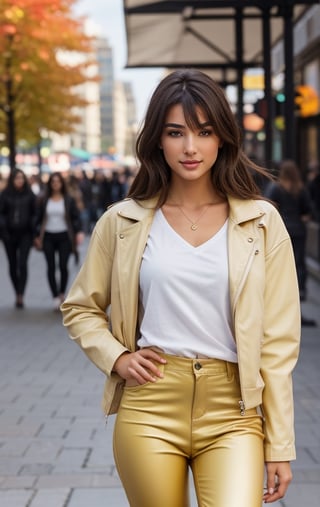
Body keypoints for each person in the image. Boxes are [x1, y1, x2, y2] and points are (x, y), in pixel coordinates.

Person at [61, 69, 301, 507]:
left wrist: (279, 443)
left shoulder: (262, 223)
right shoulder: (122, 222)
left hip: (235, 410)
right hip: (150, 403)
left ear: (223, 138)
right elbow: (80, 308)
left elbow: (279, 343)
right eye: (176, 133)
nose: (190, 147)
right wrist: (117, 358)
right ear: (157, 139)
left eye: (204, 132)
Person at [266, 159, 316, 327]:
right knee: (298, 265)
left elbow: (267, 208)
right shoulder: (300, 189)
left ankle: (280, 308)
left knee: (280, 267)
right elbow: (308, 212)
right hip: (298, 231)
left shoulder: (275, 188)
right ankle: (299, 296)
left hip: (281, 231)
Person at [34, 171, 84, 310]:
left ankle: (62, 293)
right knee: (50, 266)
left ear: (62, 183)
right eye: (53, 181)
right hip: (48, 236)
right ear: (50, 184)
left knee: (63, 265)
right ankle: (55, 296)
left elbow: (76, 217)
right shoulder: (44, 199)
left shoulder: (68, 199)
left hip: (64, 236)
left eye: (58, 181)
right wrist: (36, 235)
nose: (55, 184)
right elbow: (37, 218)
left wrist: (78, 232)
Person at [0, 169, 37, 308]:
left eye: (21, 178)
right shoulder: (5, 195)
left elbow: (35, 212)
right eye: (16, 178)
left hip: (25, 234)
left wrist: (33, 227)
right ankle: (16, 291)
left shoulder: (30, 195)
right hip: (8, 234)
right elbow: (1, 213)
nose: (19, 181)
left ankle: (21, 294)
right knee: (12, 265)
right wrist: (3, 228)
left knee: (22, 263)